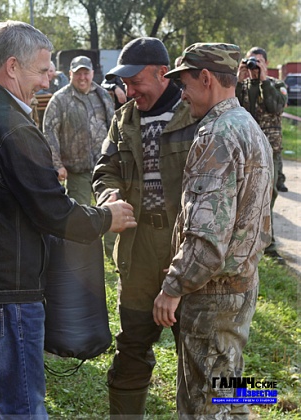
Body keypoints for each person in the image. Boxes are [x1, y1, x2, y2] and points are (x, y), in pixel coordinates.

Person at [0, 20, 136, 417]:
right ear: (12, 66)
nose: (47, 81)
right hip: (3, 293)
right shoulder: (13, 129)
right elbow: (54, 212)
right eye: (42, 71)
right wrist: (106, 218)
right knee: (22, 406)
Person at [154, 42, 273, 418]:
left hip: (212, 297)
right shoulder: (248, 126)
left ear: (206, 78)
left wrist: (172, 288)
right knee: (229, 390)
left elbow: (207, 238)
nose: (182, 94)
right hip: (240, 288)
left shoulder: (216, 135)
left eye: (185, 84)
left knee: (204, 405)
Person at [92, 37, 199, 418]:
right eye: (126, 83)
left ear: (162, 73)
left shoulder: (196, 113)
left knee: (204, 354)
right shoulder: (124, 119)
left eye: (136, 81)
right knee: (132, 347)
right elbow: (104, 169)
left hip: (187, 246)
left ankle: (226, 408)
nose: (130, 91)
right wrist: (109, 195)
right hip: (137, 249)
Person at [236, 46, 288, 264]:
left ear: (266, 63)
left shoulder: (277, 85)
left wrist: (264, 80)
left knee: (269, 194)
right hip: (246, 150)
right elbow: (230, 105)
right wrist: (239, 79)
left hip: (270, 150)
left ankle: (268, 244)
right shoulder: (241, 86)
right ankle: (247, 243)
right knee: (244, 196)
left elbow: (276, 107)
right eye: (251, 61)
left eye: (258, 62)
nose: (254, 66)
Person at [43, 55, 114, 205]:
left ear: (92, 74)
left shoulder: (103, 95)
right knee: (81, 217)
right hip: (77, 173)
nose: (82, 78)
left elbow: (114, 129)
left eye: (86, 73)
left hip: (104, 170)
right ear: (70, 74)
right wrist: (57, 165)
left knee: (110, 214)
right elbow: (49, 133)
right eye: (78, 73)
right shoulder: (59, 99)